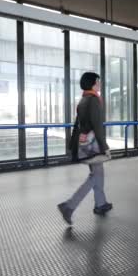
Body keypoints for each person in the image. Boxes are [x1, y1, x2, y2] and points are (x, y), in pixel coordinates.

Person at [58, 72, 112, 225]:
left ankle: (101, 204)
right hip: (93, 144)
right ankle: (69, 206)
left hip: (85, 142)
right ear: (93, 83)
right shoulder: (94, 100)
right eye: (98, 81)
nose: (99, 84)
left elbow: (81, 125)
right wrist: (104, 147)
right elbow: (97, 125)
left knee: (98, 173)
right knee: (95, 176)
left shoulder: (83, 99)